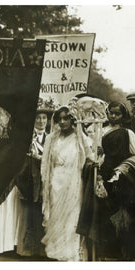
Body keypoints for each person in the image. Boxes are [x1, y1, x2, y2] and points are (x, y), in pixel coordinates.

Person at [96, 101, 135, 260]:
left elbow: (134, 156)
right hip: (104, 176)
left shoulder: (128, 133)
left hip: (121, 179)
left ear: (123, 115)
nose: (113, 116)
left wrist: (121, 171)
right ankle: (109, 251)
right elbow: (98, 155)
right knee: (105, 213)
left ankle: (126, 252)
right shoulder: (103, 130)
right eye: (111, 113)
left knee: (123, 216)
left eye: (117, 113)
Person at [41, 105, 92, 261]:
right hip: (55, 182)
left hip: (74, 181)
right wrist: (46, 182)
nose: (62, 122)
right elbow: (45, 163)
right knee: (56, 216)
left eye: (66, 118)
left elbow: (89, 157)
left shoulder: (80, 139)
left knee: (72, 216)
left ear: (73, 120)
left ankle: (71, 252)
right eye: (59, 119)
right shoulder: (51, 138)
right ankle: (57, 251)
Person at [15, 104, 52, 257]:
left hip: (46, 179)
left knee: (45, 213)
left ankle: (44, 250)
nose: (41, 121)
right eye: (38, 118)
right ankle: (27, 250)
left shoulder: (51, 137)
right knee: (29, 214)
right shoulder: (27, 138)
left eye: (44, 118)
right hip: (29, 180)